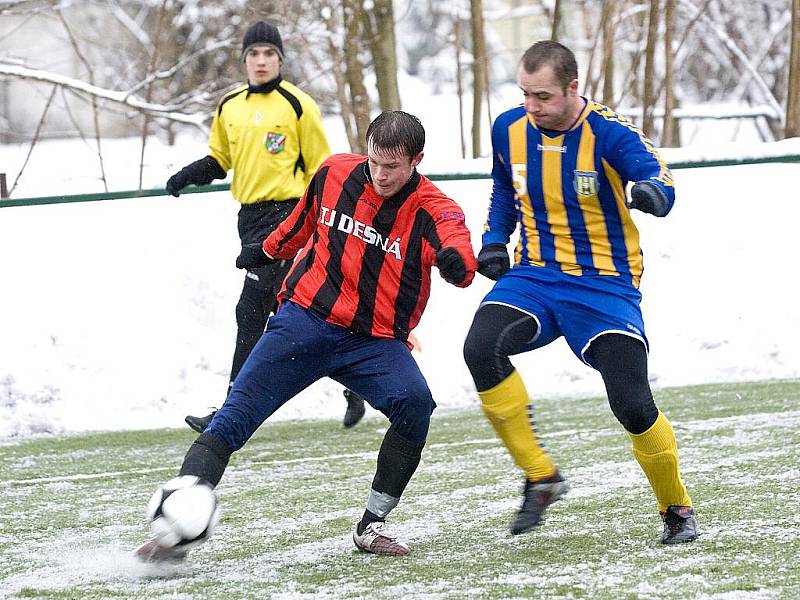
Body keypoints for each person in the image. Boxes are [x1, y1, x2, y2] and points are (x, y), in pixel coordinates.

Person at [140, 110, 478, 561]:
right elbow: (300, 224)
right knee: (234, 415)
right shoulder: (335, 172)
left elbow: (457, 245)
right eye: (375, 161)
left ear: (416, 160)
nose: (380, 175)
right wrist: (264, 250)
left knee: (416, 404)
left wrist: (458, 264)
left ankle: (371, 525)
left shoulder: (433, 207)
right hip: (304, 321)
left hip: (373, 341)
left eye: (393, 167)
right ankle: (177, 529)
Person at [462, 40, 697, 544]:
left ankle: (676, 508)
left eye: (542, 96)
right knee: (480, 348)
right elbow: (505, 188)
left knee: (632, 405)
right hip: (535, 275)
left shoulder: (609, 134)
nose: (531, 106)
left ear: (573, 88)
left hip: (604, 286)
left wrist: (652, 194)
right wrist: (493, 242)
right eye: (524, 93)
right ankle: (540, 476)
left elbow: (659, 174)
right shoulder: (509, 128)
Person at [165, 21, 366, 431]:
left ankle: (229, 414)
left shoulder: (298, 105)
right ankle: (356, 385)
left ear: (280, 60)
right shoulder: (230, 106)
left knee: (251, 312)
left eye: (269, 54)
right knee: (299, 317)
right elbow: (219, 160)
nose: (261, 61)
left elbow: (322, 172)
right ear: (244, 60)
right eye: (253, 54)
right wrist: (187, 174)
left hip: (289, 216)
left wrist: (319, 226)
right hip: (250, 218)